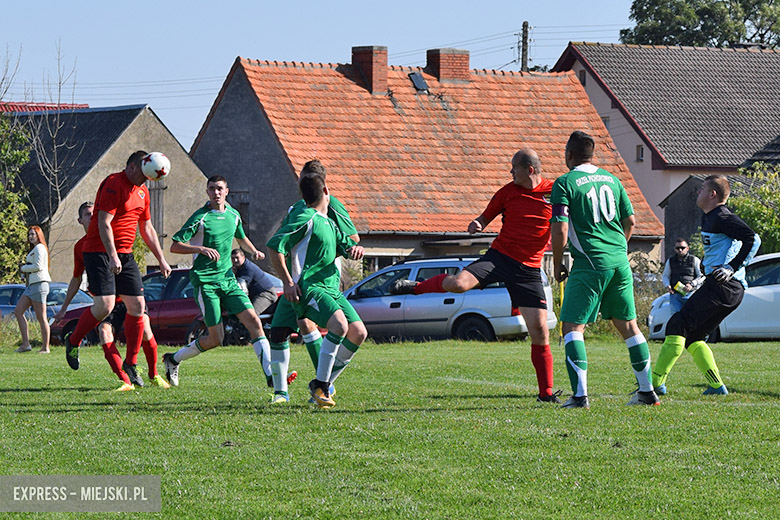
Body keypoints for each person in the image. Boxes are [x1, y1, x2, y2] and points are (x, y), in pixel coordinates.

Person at [390, 149, 559, 403]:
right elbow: (484, 217)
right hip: (499, 258)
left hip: (529, 270)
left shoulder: (555, 192)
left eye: (514, 167)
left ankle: (546, 394)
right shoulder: (506, 192)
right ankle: (415, 287)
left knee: (540, 331)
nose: (510, 171)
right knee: (458, 284)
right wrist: (477, 224)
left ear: (530, 170)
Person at [550, 130, 660, 409]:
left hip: (590, 262)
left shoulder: (564, 183)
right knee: (629, 326)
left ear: (569, 154)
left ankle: (579, 397)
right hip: (619, 262)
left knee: (572, 327)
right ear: (592, 154)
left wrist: (559, 261)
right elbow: (630, 221)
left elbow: (561, 228)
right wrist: (618, 249)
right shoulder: (612, 179)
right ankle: (647, 391)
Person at [164, 175, 294, 391]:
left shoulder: (233, 215)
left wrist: (253, 251)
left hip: (228, 280)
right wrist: (200, 249)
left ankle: (270, 375)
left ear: (227, 191)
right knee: (216, 338)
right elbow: (175, 245)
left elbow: (241, 238)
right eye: (212, 189)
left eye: (219, 189)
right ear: (207, 192)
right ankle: (173, 359)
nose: (216, 193)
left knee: (254, 322)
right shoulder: (201, 217)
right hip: (206, 283)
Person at [62, 151, 172, 380]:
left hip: (125, 254)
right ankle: (73, 340)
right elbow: (104, 222)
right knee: (105, 306)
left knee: (138, 306)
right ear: (132, 167)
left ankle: (131, 362)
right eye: (142, 176)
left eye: (148, 179)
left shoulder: (143, 191)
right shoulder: (114, 183)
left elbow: (147, 228)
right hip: (99, 251)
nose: (144, 182)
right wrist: (112, 255)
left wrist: (161, 259)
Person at [651, 176, 760, 396]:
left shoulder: (722, 216)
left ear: (712, 194)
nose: (697, 192)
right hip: (724, 287)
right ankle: (717, 386)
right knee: (694, 337)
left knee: (677, 324)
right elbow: (721, 248)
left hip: (724, 286)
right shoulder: (710, 217)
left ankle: (653, 384)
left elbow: (753, 239)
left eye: (702, 188)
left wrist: (731, 267)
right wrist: (706, 268)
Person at [267, 173, 367, 407]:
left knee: (358, 333)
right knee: (339, 326)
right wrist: (288, 282)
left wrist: (356, 250)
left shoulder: (329, 223)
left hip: (331, 290)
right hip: (311, 288)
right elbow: (274, 246)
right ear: (326, 191)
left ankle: (323, 383)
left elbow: (348, 245)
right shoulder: (305, 217)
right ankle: (319, 386)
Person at [54, 201, 170, 390]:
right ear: (80, 220)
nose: (93, 217)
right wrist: (64, 308)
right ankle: (125, 380)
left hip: (128, 299)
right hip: (107, 302)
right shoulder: (81, 247)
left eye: (95, 213)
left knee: (145, 329)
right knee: (104, 333)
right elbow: (76, 279)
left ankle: (153, 374)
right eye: (88, 214)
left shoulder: (114, 236)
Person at [14, 226, 52, 354]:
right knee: (18, 311)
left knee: (41, 317)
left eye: (33, 234)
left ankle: (45, 348)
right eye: (29, 234)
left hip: (39, 285)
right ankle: (25, 344)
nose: (30, 237)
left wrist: (23, 268)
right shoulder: (34, 249)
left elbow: (38, 266)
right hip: (31, 286)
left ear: (39, 235)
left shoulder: (40, 247)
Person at [231, 248, 278, 316]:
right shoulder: (236, 269)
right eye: (233, 258)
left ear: (243, 257)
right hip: (254, 295)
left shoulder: (248, 268)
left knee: (250, 316)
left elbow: (241, 286)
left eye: (237, 258)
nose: (235, 260)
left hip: (265, 294)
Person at [662, 238, 702, 313]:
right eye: (677, 248)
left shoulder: (694, 260)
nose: (680, 250)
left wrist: (692, 284)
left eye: (682, 248)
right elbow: (665, 276)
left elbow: (701, 276)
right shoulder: (670, 261)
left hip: (691, 294)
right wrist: (667, 285)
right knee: (676, 316)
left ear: (687, 248)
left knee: (692, 316)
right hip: (675, 295)